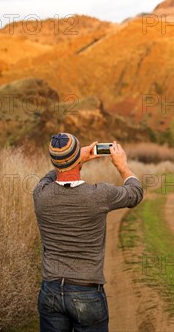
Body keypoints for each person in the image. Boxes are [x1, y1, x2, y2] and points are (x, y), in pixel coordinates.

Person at [33, 133, 144, 331]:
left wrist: (72, 160)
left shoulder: (40, 194)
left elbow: (50, 176)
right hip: (86, 292)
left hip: (50, 290)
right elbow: (135, 193)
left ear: (53, 161)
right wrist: (121, 165)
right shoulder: (99, 195)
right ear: (77, 160)